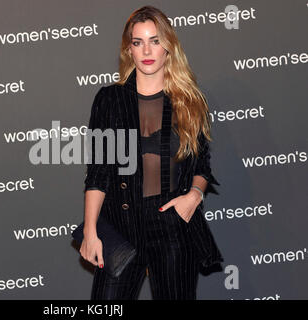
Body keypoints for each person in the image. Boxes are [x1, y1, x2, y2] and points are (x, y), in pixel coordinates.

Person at [79, 6, 224, 300]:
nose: (146, 49)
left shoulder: (190, 102)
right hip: (121, 225)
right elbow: (99, 172)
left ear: (168, 47)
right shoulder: (110, 100)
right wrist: (90, 231)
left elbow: (202, 166)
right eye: (138, 42)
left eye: (155, 40)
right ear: (128, 50)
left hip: (171, 226)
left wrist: (194, 196)